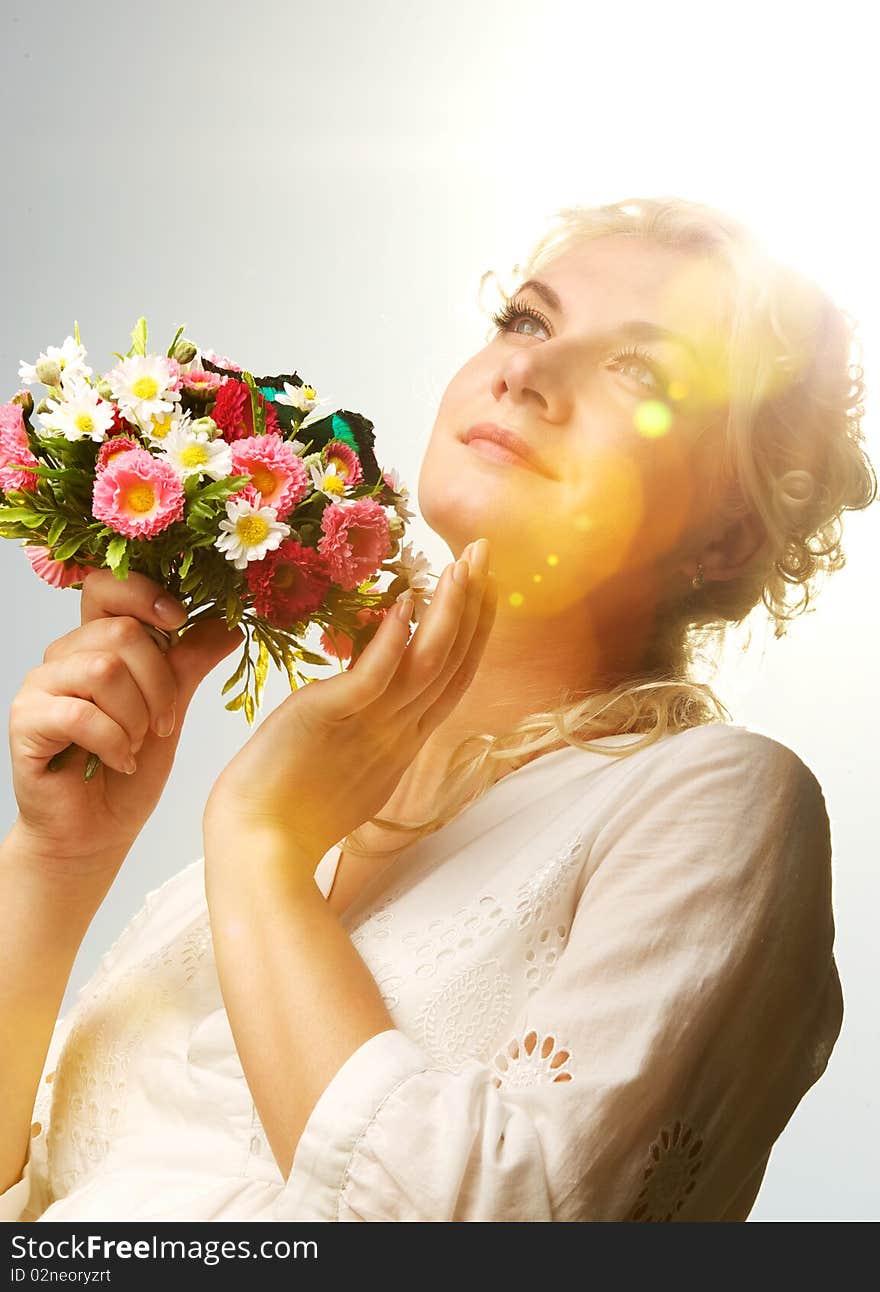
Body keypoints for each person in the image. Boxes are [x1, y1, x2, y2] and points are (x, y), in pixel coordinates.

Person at [1, 195, 875, 1222]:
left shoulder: (714, 801)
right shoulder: (203, 893)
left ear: (726, 533)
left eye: (640, 371)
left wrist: (263, 847)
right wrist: (59, 861)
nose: (526, 371)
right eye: (528, 320)